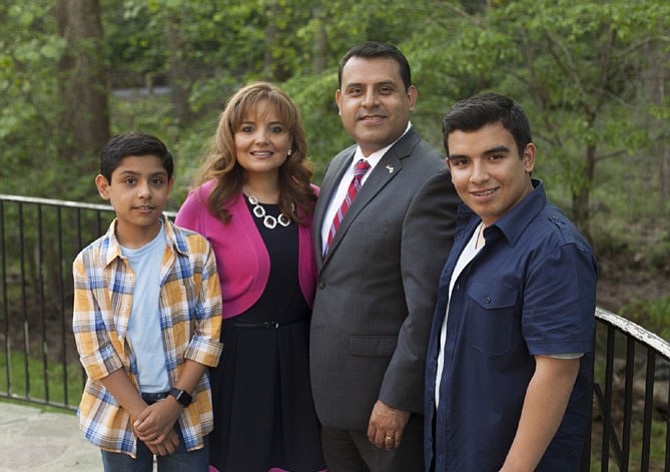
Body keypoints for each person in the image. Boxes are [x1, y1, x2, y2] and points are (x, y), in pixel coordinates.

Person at [424, 93, 598, 471]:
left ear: (527, 157)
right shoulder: (473, 227)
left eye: (495, 157)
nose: (478, 175)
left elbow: (556, 373)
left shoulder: (555, 249)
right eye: (462, 162)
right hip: (457, 451)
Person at [309, 41, 461, 472]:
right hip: (331, 396)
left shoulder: (431, 178)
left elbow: (427, 305)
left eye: (385, 90)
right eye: (356, 91)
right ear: (340, 101)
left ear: (410, 98)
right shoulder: (341, 164)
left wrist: (396, 398)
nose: (369, 102)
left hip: (385, 407)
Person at [175, 82, 325, 472]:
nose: (262, 139)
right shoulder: (204, 204)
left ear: (291, 140)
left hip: (301, 361)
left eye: (276, 129)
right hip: (234, 365)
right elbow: (178, 297)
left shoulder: (315, 201)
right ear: (232, 138)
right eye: (248, 129)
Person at [72, 131, 223, 472]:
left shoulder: (196, 251)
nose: (145, 192)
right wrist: (145, 417)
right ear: (104, 187)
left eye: (155, 181)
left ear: (168, 186)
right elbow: (94, 350)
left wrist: (172, 406)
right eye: (130, 180)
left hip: (186, 405)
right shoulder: (90, 262)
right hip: (119, 408)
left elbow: (208, 336)